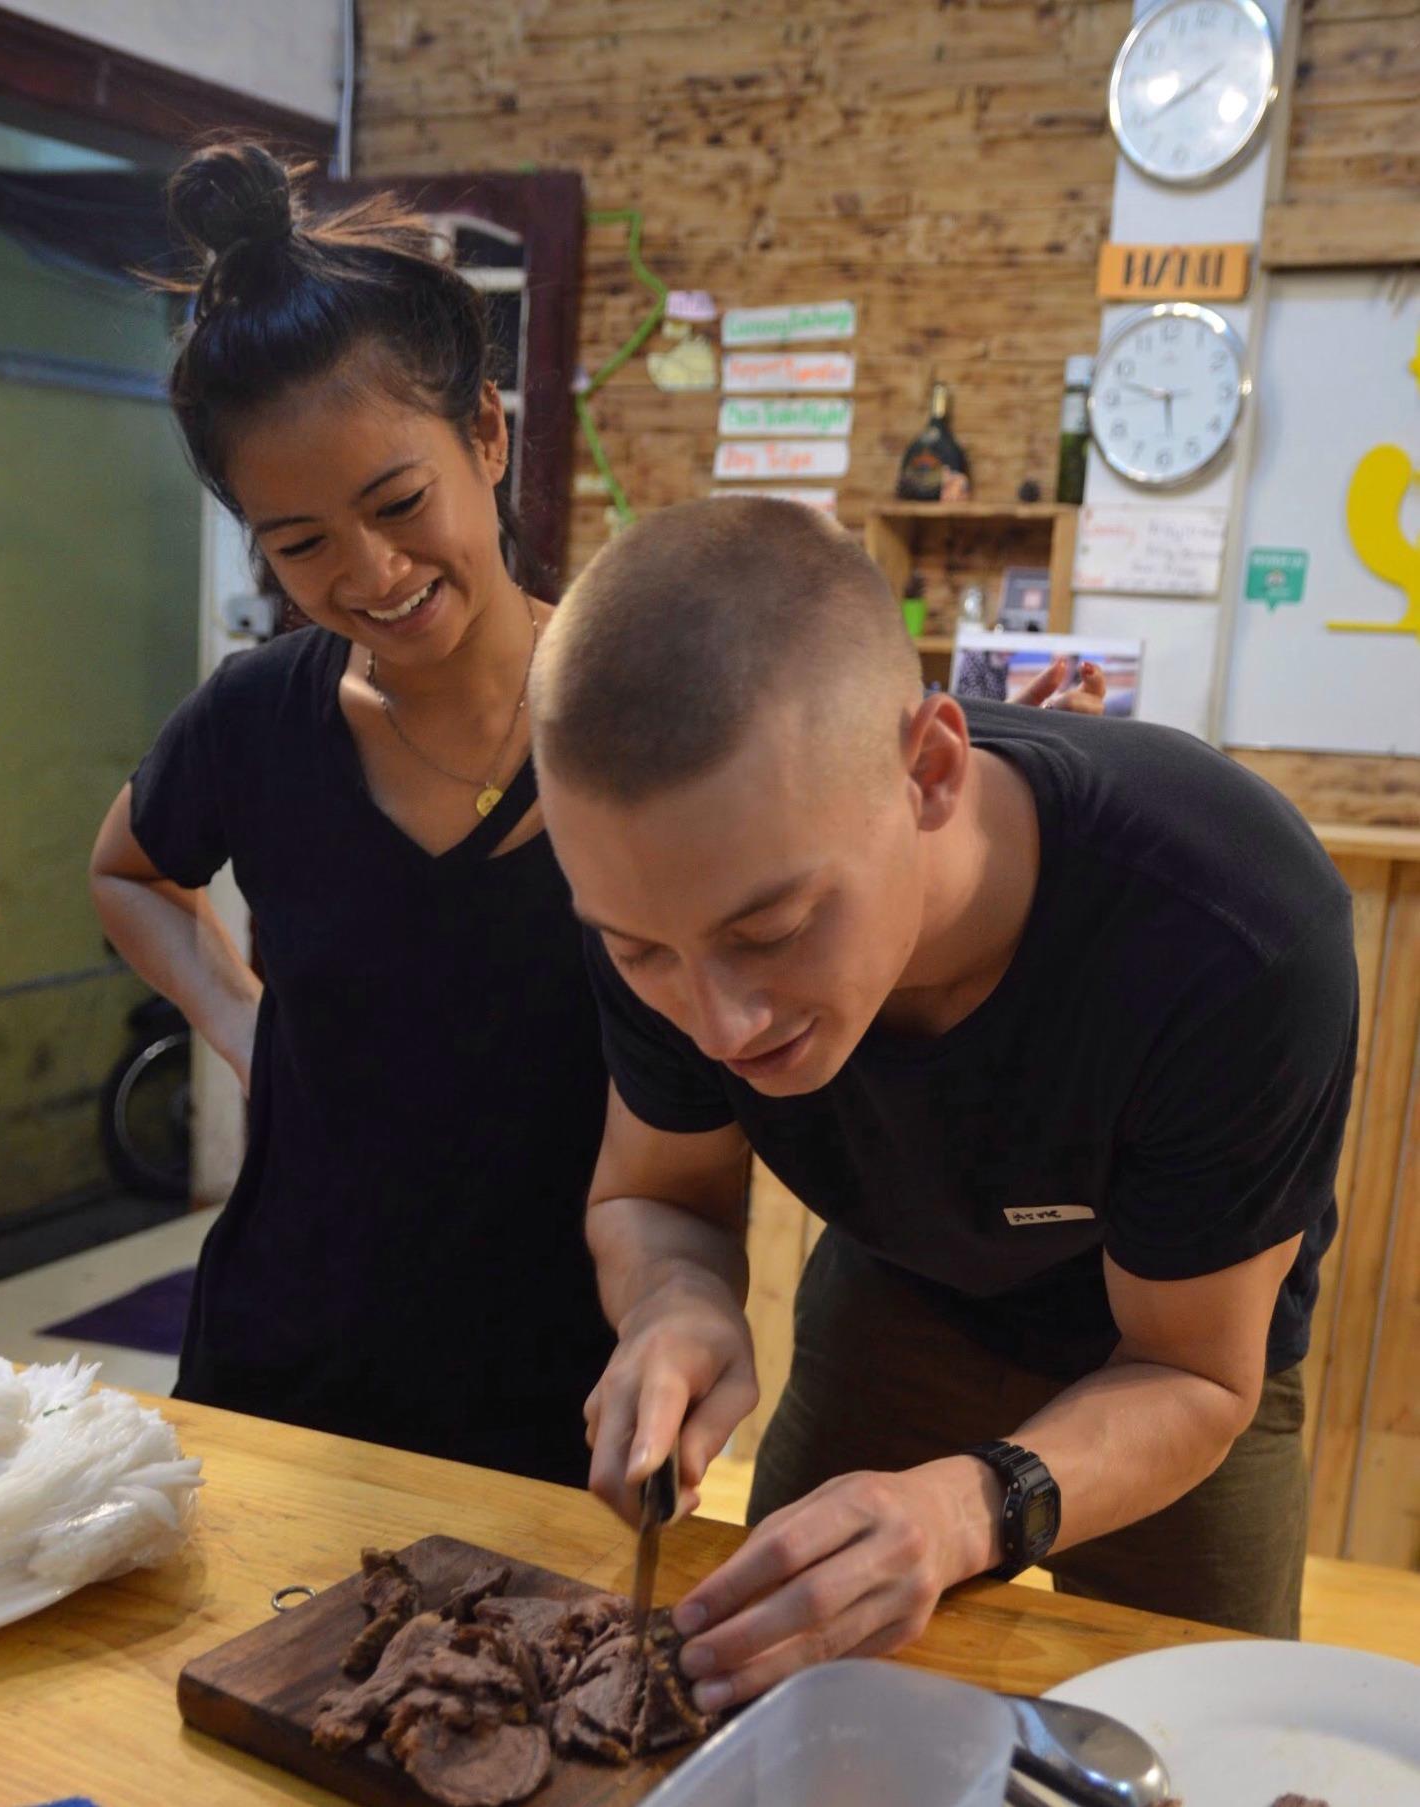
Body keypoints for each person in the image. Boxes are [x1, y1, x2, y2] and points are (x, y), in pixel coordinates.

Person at [528, 496, 1358, 1708]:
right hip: (899, 1291)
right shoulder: (660, 893)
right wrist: (674, 1300)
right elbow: (658, 1196)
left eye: (772, 930)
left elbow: (1194, 1374)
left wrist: (973, 1508)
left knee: (1208, 1740)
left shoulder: (1232, 930)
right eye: (642, 952)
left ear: (928, 771)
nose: (720, 1025)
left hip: (1174, 1351)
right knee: (773, 1709)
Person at [88, 142, 615, 1484]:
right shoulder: (256, 719)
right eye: (301, 541)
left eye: (398, 502)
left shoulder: (633, 719)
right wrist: (240, 1020)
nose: (372, 572)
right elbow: (128, 870)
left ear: (485, 434)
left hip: (557, 1372)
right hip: (285, 1351)